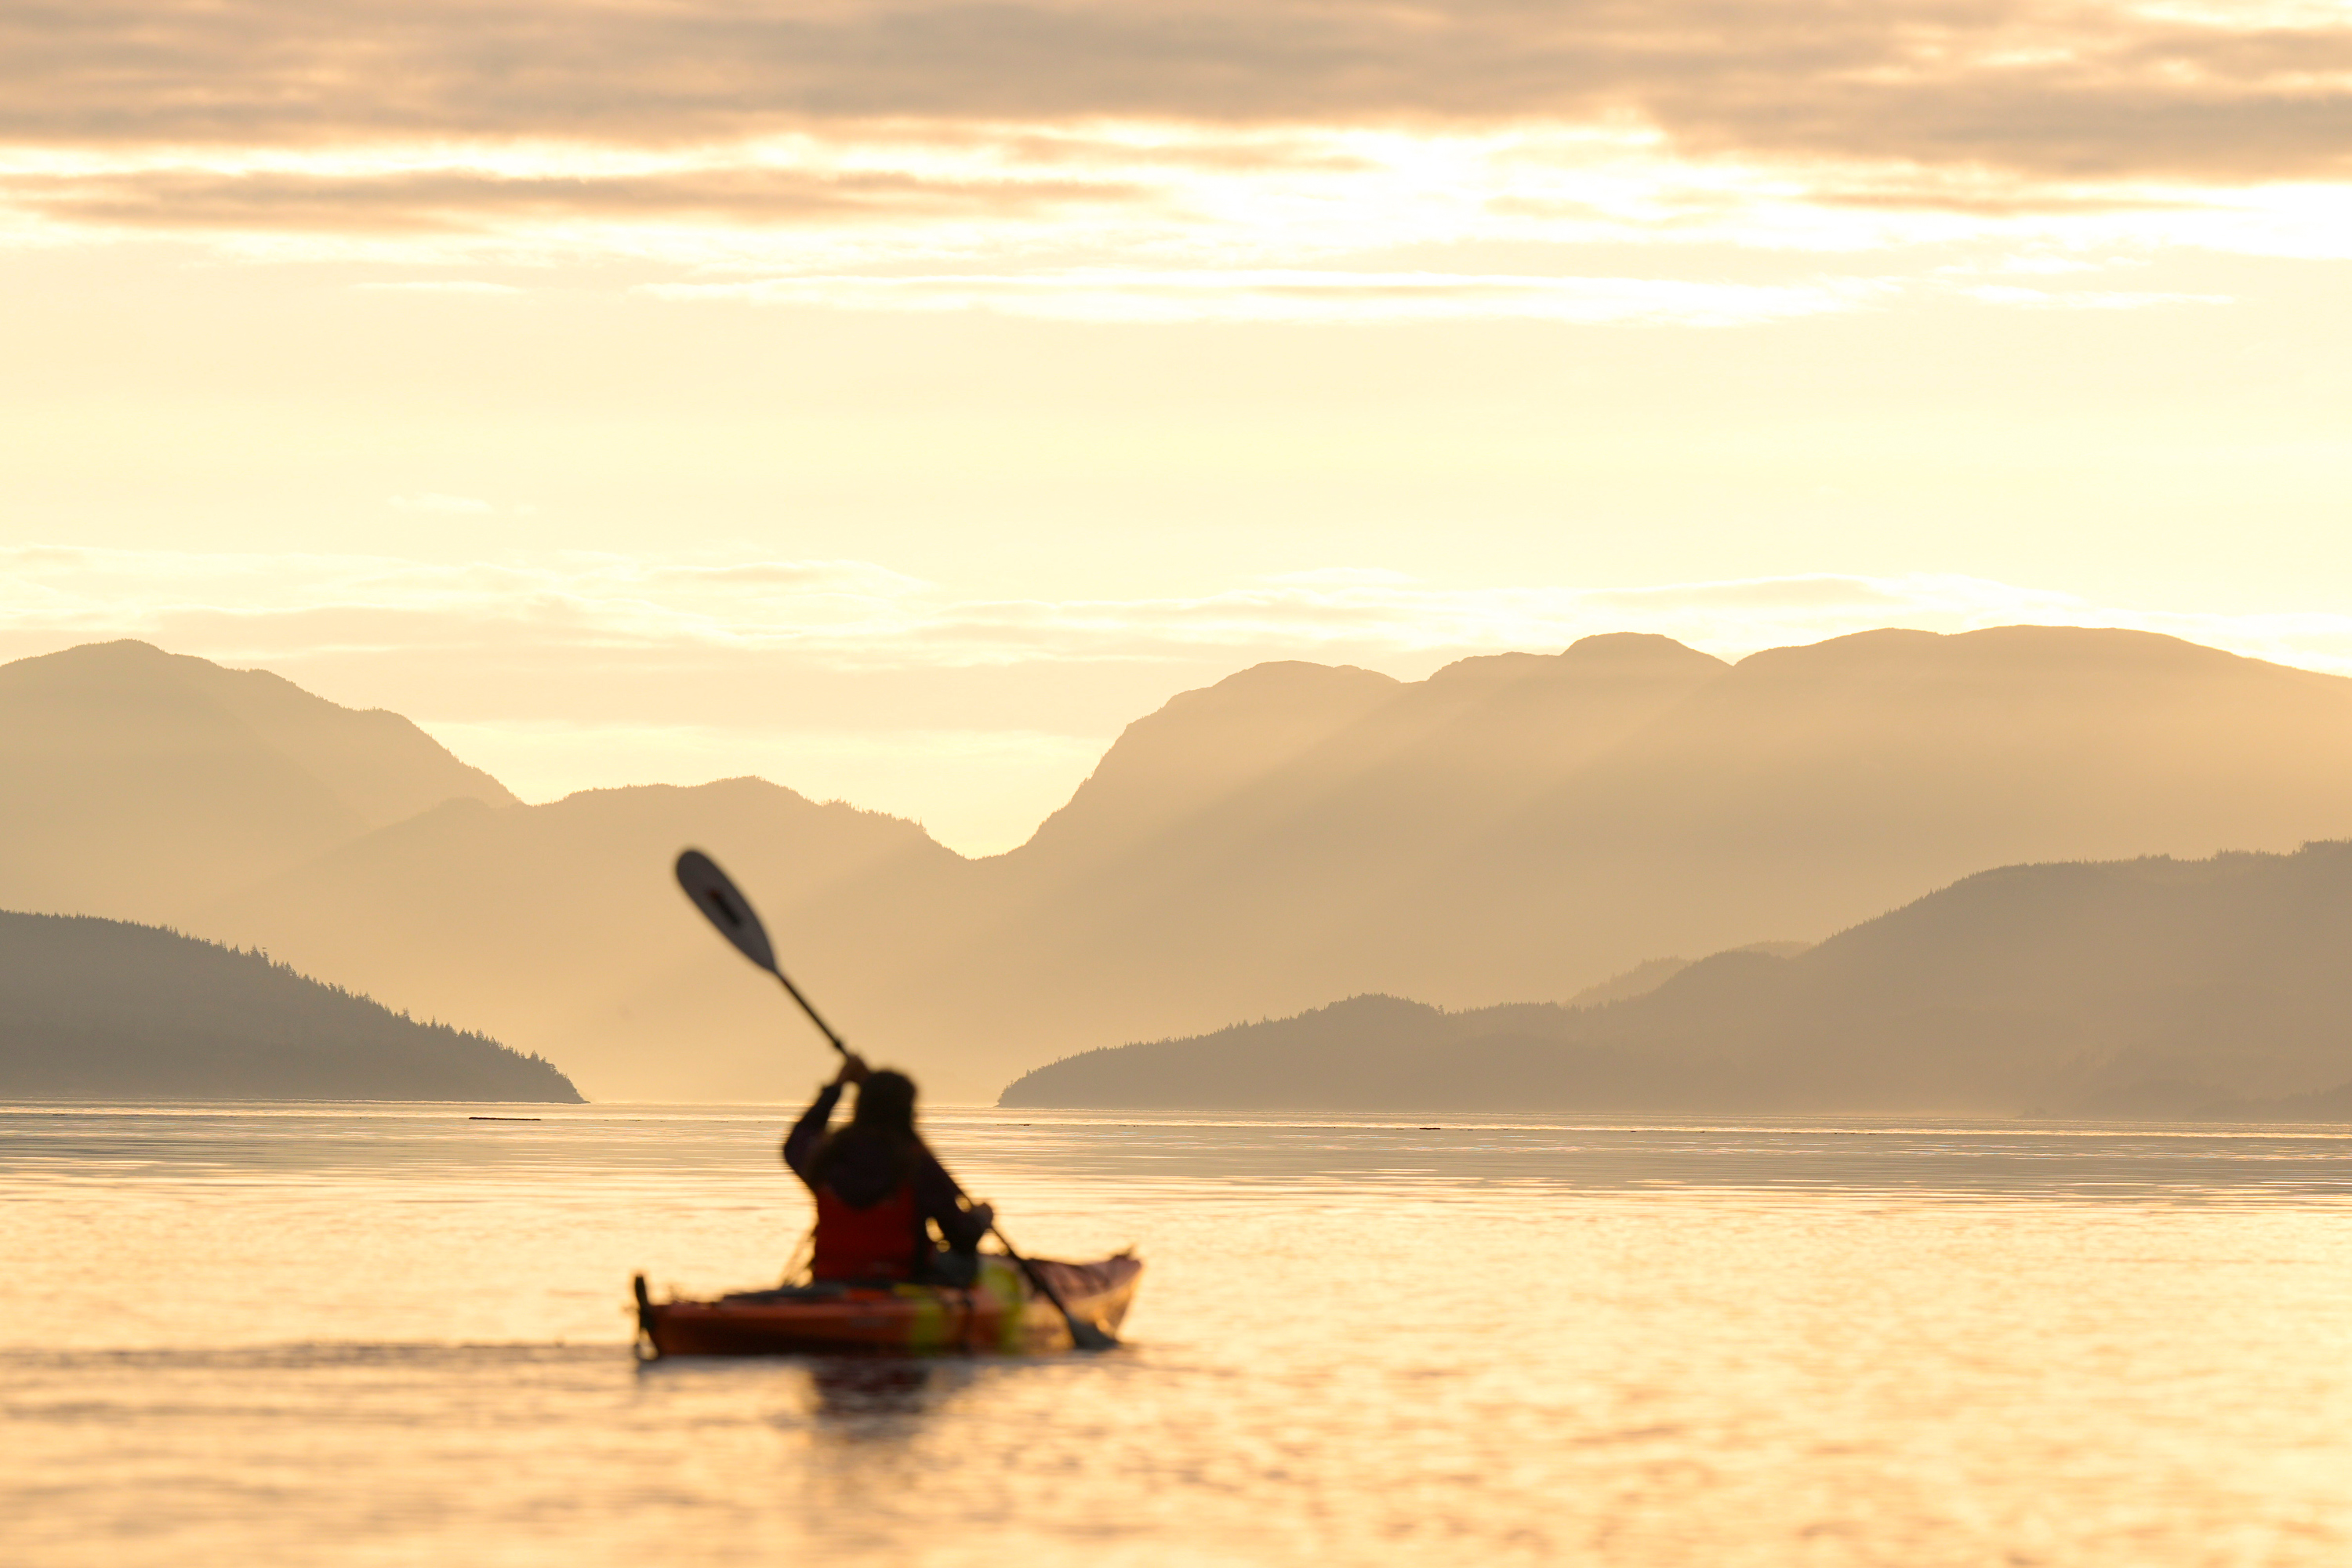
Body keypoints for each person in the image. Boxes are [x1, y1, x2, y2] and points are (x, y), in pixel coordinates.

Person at [782, 1051, 994, 1285]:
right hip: (902, 1282)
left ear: (859, 1106)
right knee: (967, 1263)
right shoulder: (918, 1164)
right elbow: (963, 1239)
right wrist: (981, 1218)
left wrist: (838, 1085)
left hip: (831, 1280)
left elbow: (799, 1139)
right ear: (909, 1112)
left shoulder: (826, 1158)